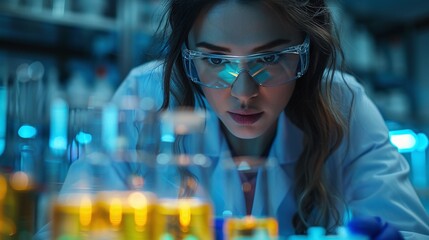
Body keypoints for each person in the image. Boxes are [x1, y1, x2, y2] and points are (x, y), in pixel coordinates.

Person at [35, 0, 429, 239]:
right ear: (186, 58)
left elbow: (407, 233)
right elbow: (64, 231)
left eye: (270, 58)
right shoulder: (146, 97)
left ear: (307, 56)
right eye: (217, 60)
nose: (243, 92)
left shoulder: (342, 104)